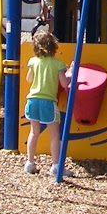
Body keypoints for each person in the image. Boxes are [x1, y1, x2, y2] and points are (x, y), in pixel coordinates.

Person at [23, 27, 70, 176]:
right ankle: (56, 166)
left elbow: (29, 79)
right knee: (54, 135)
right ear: (53, 46)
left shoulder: (33, 61)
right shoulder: (58, 64)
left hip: (32, 100)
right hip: (48, 102)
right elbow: (64, 84)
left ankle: (30, 163)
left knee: (33, 132)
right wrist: (71, 72)